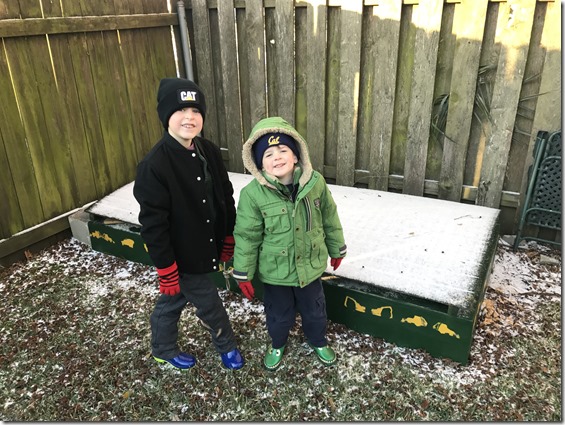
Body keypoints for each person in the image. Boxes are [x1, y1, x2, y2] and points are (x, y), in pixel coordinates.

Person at [133, 77, 244, 370]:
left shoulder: (209, 151)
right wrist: (166, 268)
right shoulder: (154, 166)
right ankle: (227, 346)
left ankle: (162, 347)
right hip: (181, 257)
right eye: (180, 110)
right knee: (209, 303)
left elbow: (224, 196)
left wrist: (228, 235)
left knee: (173, 301)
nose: (189, 117)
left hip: (205, 246)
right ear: (166, 116)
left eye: (195, 110)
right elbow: (153, 225)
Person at [231, 116, 347, 370]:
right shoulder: (252, 195)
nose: (277, 157)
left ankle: (318, 340)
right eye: (268, 154)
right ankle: (278, 343)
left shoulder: (315, 183)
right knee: (278, 314)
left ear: (296, 155)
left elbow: (329, 216)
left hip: (310, 266)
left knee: (315, 310)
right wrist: (243, 272)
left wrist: (336, 247)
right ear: (259, 165)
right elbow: (247, 235)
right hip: (276, 272)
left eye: (283, 150)